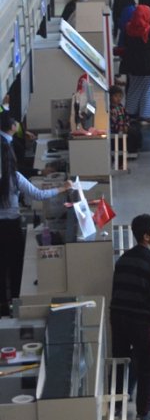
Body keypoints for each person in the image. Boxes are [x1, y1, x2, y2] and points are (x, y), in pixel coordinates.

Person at [0, 114, 68, 314]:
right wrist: (63, 188)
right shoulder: (15, 176)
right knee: (15, 264)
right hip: (11, 225)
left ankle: (2, 306)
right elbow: (39, 194)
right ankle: (14, 302)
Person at [111, 213, 150, 420]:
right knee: (146, 364)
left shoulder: (123, 259)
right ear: (145, 236)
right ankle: (144, 410)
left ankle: (116, 405)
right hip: (140, 321)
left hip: (118, 316)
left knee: (121, 362)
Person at [120, 5, 150, 123]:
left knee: (134, 88)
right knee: (149, 90)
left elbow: (126, 44)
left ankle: (131, 112)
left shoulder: (128, 28)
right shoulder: (149, 30)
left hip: (132, 65)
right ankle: (145, 115)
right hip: (149, 67)